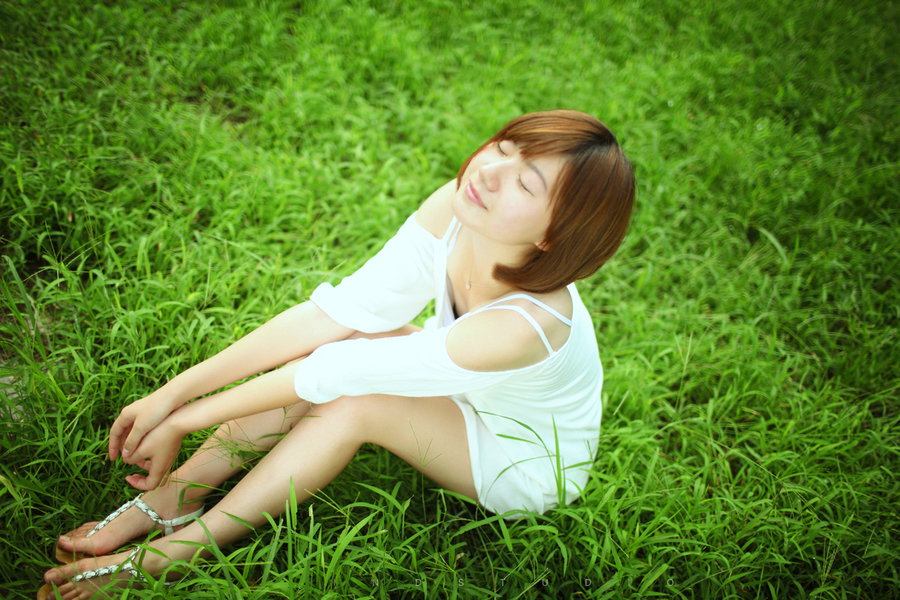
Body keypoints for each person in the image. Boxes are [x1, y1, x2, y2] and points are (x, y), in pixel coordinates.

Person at [41, 109, 635, 598]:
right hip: (462, 386)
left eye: (527, 183)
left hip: (520, 460)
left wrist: (184, 418)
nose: (491, 171)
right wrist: (174, 392)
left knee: (357, 401)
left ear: (553, 235)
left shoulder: (524, 324)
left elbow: (335, 375)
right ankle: (175, 494)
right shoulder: (458, 209)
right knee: (361, 336)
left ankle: (177, 551)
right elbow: (338, 314)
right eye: (504, 148)